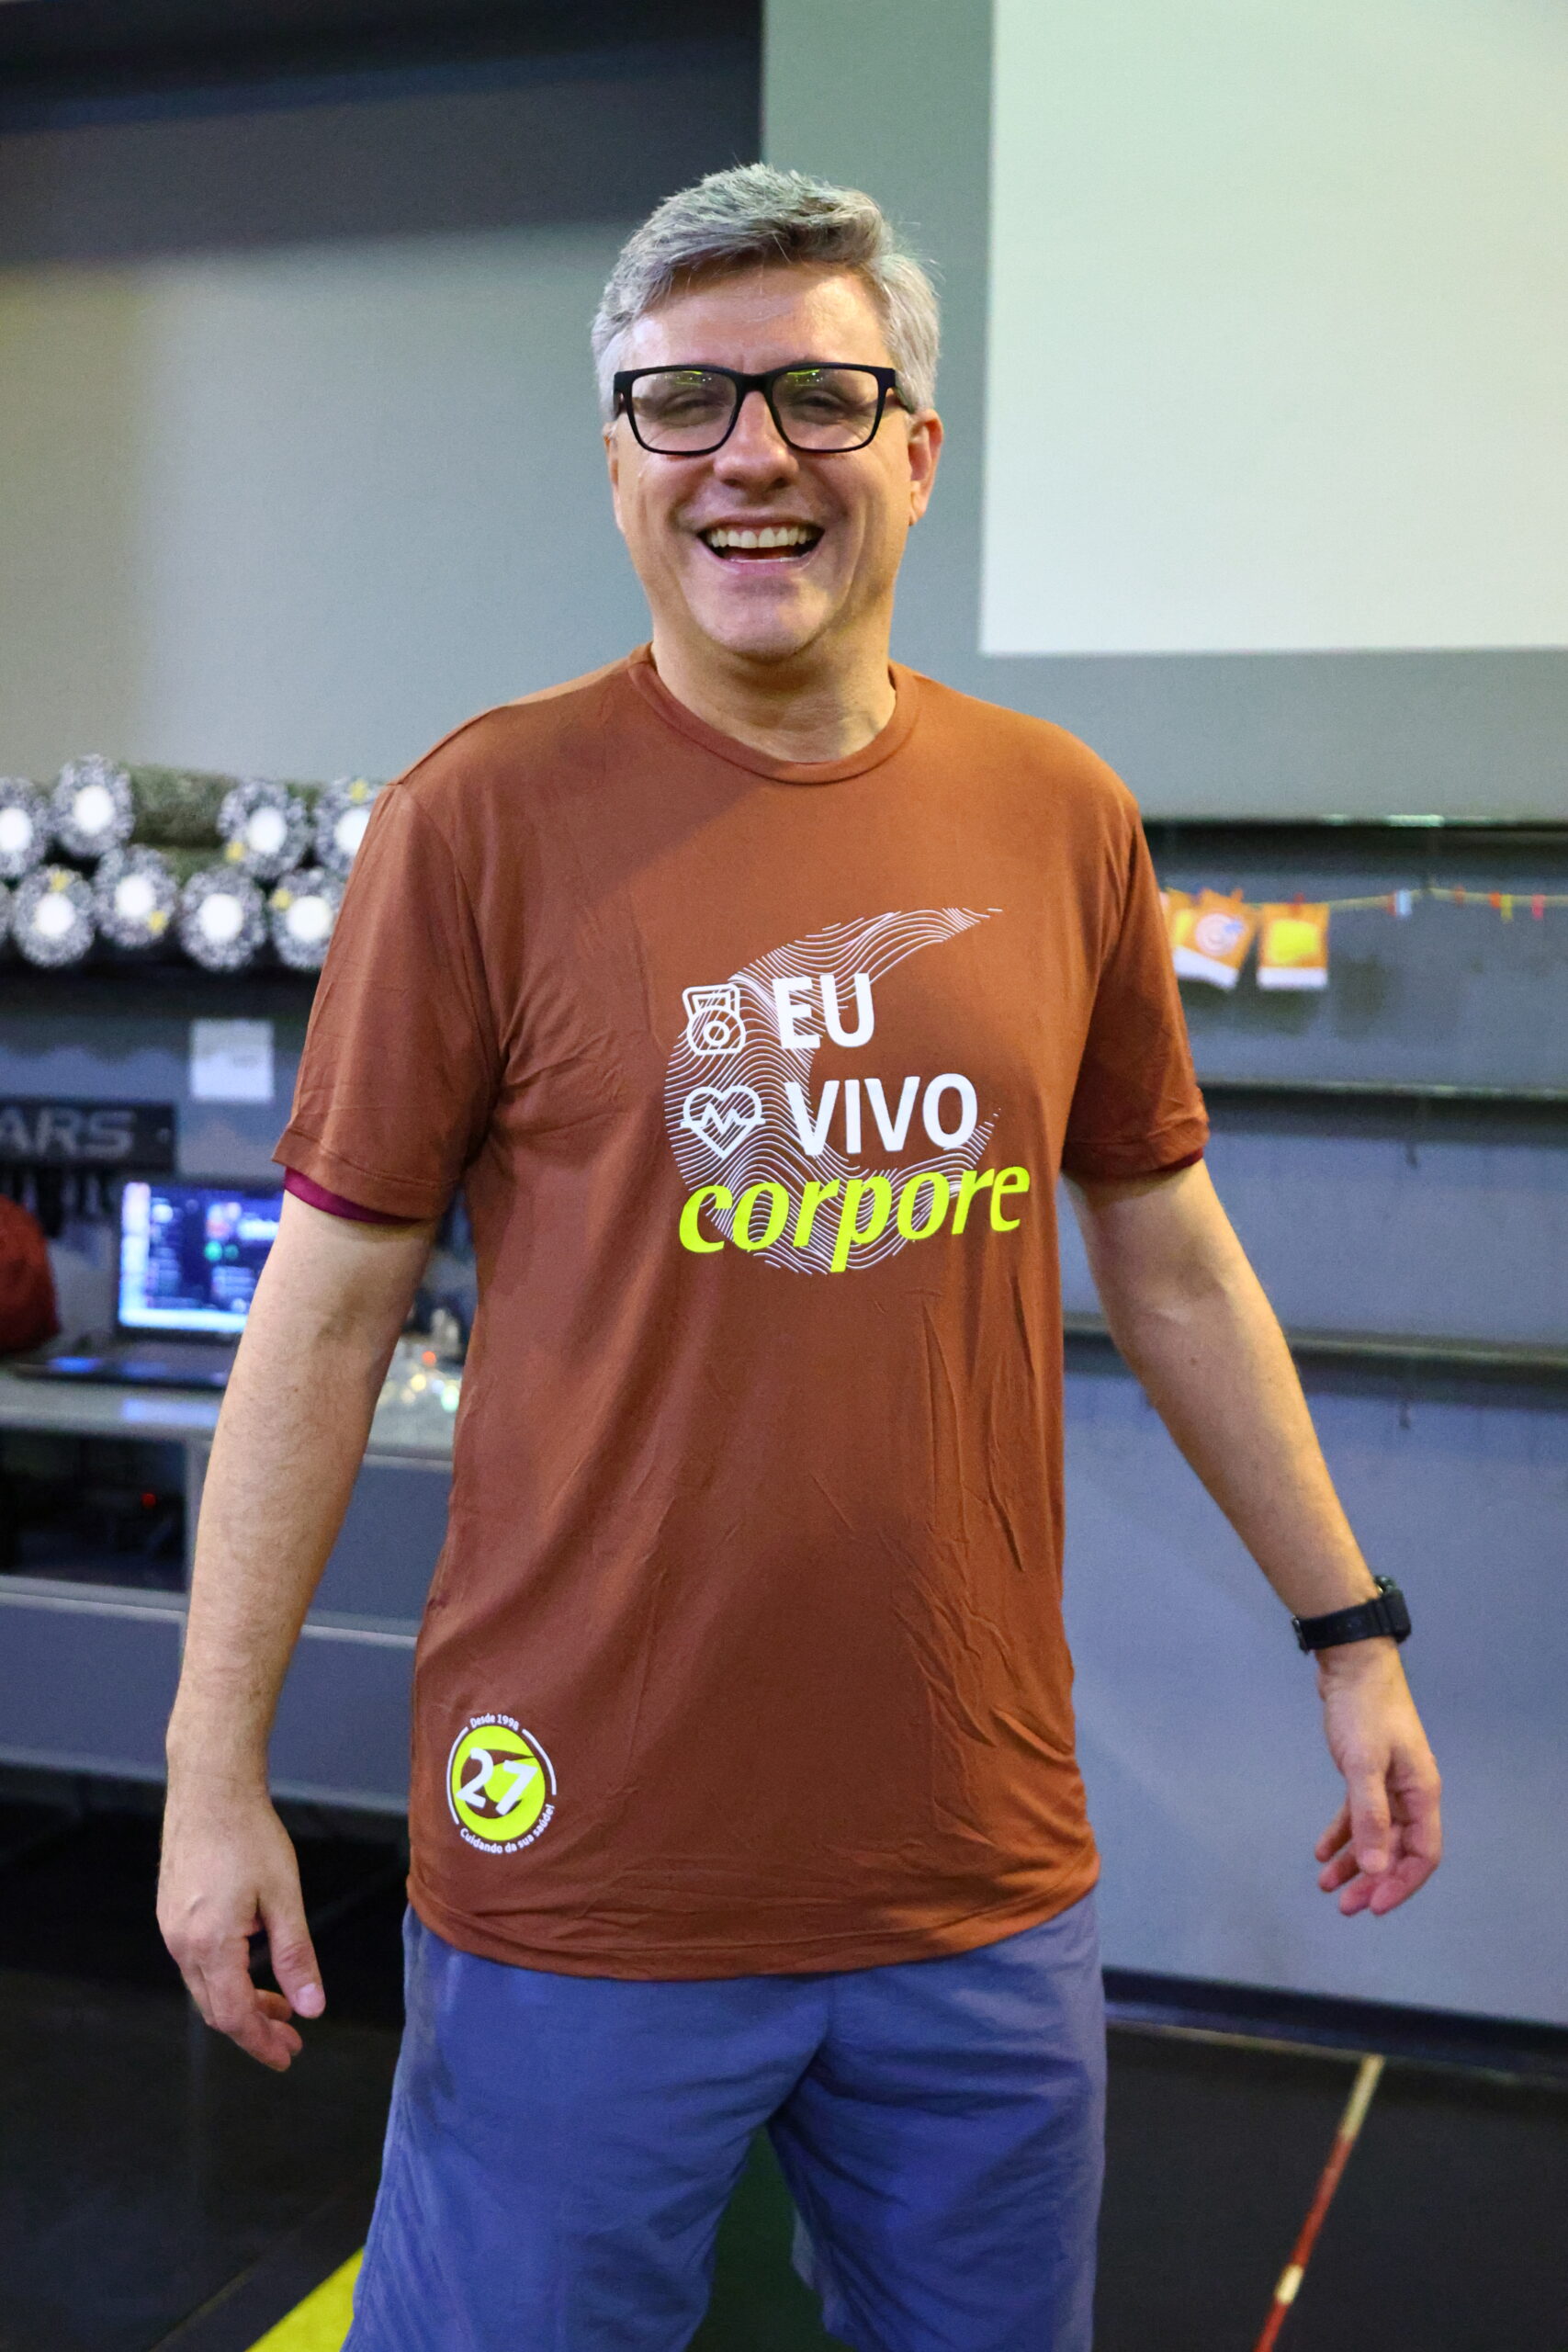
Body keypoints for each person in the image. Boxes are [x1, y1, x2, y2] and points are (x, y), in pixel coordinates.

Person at [158, 165, 1442, 2351]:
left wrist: (1348, 1628)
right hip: (583, 1863)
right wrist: (211, 1774)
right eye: (683, 403)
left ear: (914, 452)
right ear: (618, 464)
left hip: (969, 1866)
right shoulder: (478, 820)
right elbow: (323, 1318)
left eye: (817, 398)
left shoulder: (1057, 813)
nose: (748, 455)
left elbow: (1172, 1259)